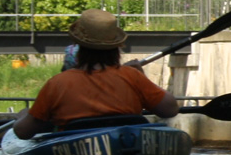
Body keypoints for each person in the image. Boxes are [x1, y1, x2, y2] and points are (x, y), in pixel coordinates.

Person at [13, 9, 179, 139]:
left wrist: (23, 115)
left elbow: (22, 132)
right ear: (116, 47)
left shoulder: (57, 83)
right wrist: (142, 77)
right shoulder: (132, 76)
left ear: (78, 46)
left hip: (76, 153)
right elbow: (170, 109)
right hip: (127, 146)